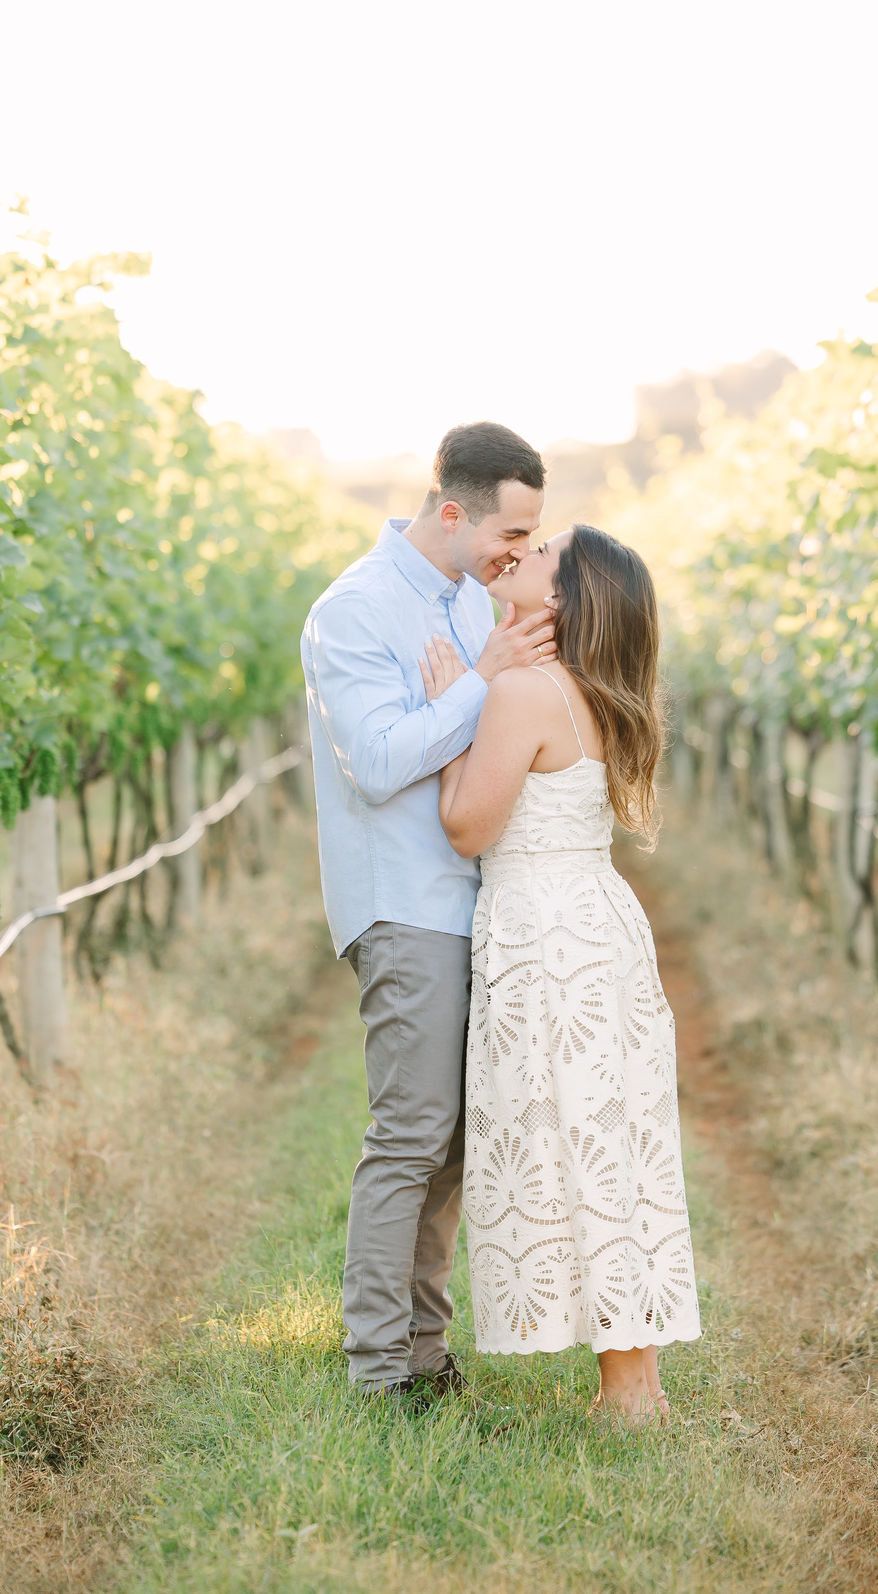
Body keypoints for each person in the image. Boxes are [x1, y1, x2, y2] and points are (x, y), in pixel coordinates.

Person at [300, 422, 558, 1400]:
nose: (521, 555)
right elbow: (376, 764)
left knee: (452, 1140)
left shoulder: (465, 599)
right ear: (454, 511)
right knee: (411, 1134)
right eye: (512, 534)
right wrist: (485, 680)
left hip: (471, 900)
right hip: (402, 901)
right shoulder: (354, 612)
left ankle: (423, 1350)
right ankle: (377, 1368)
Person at [430, 523, 701, 1421]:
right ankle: (638, 1385)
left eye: (543, 551)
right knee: (610, 1139)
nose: (525, 550)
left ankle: (629, 1393)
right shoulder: (584, 688)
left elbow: (469, 827)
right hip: (596, 923)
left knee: (574, 1141)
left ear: (562, 600)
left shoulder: (522, 692)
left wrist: (449, 720)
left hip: (545, 934)